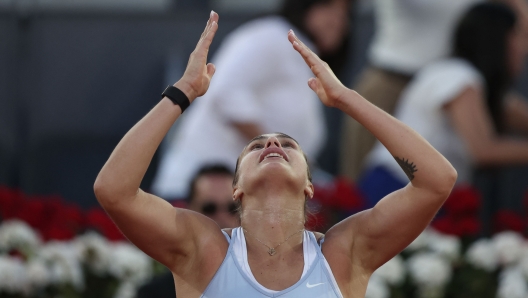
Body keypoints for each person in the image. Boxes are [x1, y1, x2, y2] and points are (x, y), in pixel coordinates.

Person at [94, 12, 457, 297]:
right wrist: (182, 92)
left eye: (287, 144)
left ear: (310, 186)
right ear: (236, 189)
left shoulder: (344, 253)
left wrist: (347, 98)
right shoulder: (202, 248)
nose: (271, 144)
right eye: (256, 146)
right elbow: (114, 191)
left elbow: (438, 181)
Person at [151, 0, 351, 199]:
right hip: (199, 196)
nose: (336, 21)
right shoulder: (272, 35)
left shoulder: (304, 58)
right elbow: (226, 94)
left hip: (247, 201)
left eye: (344, 13)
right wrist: (279, 154)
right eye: (327, 7)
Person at [360, 2, 528, 207]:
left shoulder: (467, 81)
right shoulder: (458, 77)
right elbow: (484, 150)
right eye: (519, 36)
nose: (524, 48)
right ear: (499, 40)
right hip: (397, 190)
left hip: (418, 191)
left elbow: (516, 113)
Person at [137, 164, 237, 298]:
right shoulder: (155, 293)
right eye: (209, 208)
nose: (222, 218)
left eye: (232, 207)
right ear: (190, 211)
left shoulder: (268, 283)